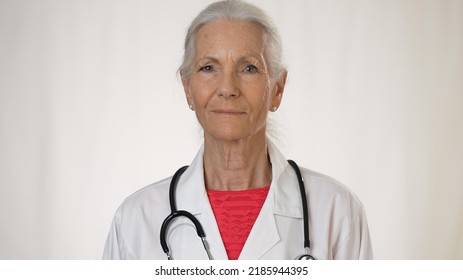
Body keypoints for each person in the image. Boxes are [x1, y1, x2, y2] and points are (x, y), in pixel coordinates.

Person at [103, 0, 373, 260]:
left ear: (277, 89)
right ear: (187, 88)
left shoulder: (337, 211)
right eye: (208, 67)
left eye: (249, 68)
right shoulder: (135, 219)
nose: (228, 88)